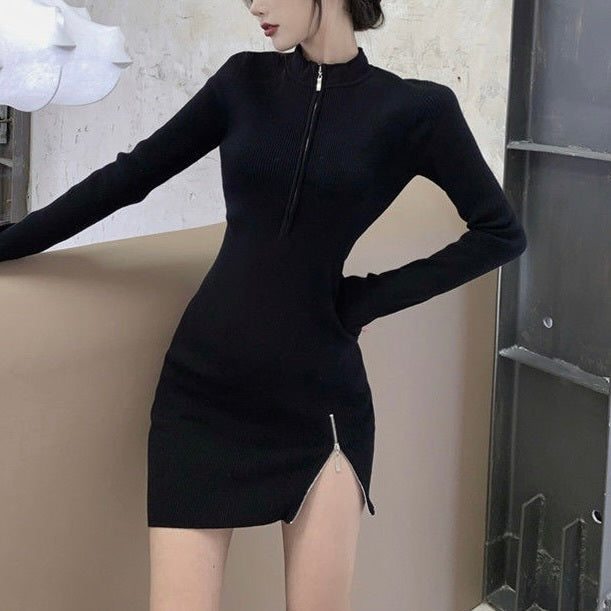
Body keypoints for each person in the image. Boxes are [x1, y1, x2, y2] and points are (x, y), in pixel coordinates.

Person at [0, 0, 528, 609]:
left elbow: (500, 233)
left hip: (321, 408)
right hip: (202, 394)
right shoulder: (243, 82)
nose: (254, 4)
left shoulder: (416, 111)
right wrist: (9, 243)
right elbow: (130, 176)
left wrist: (365, 298)